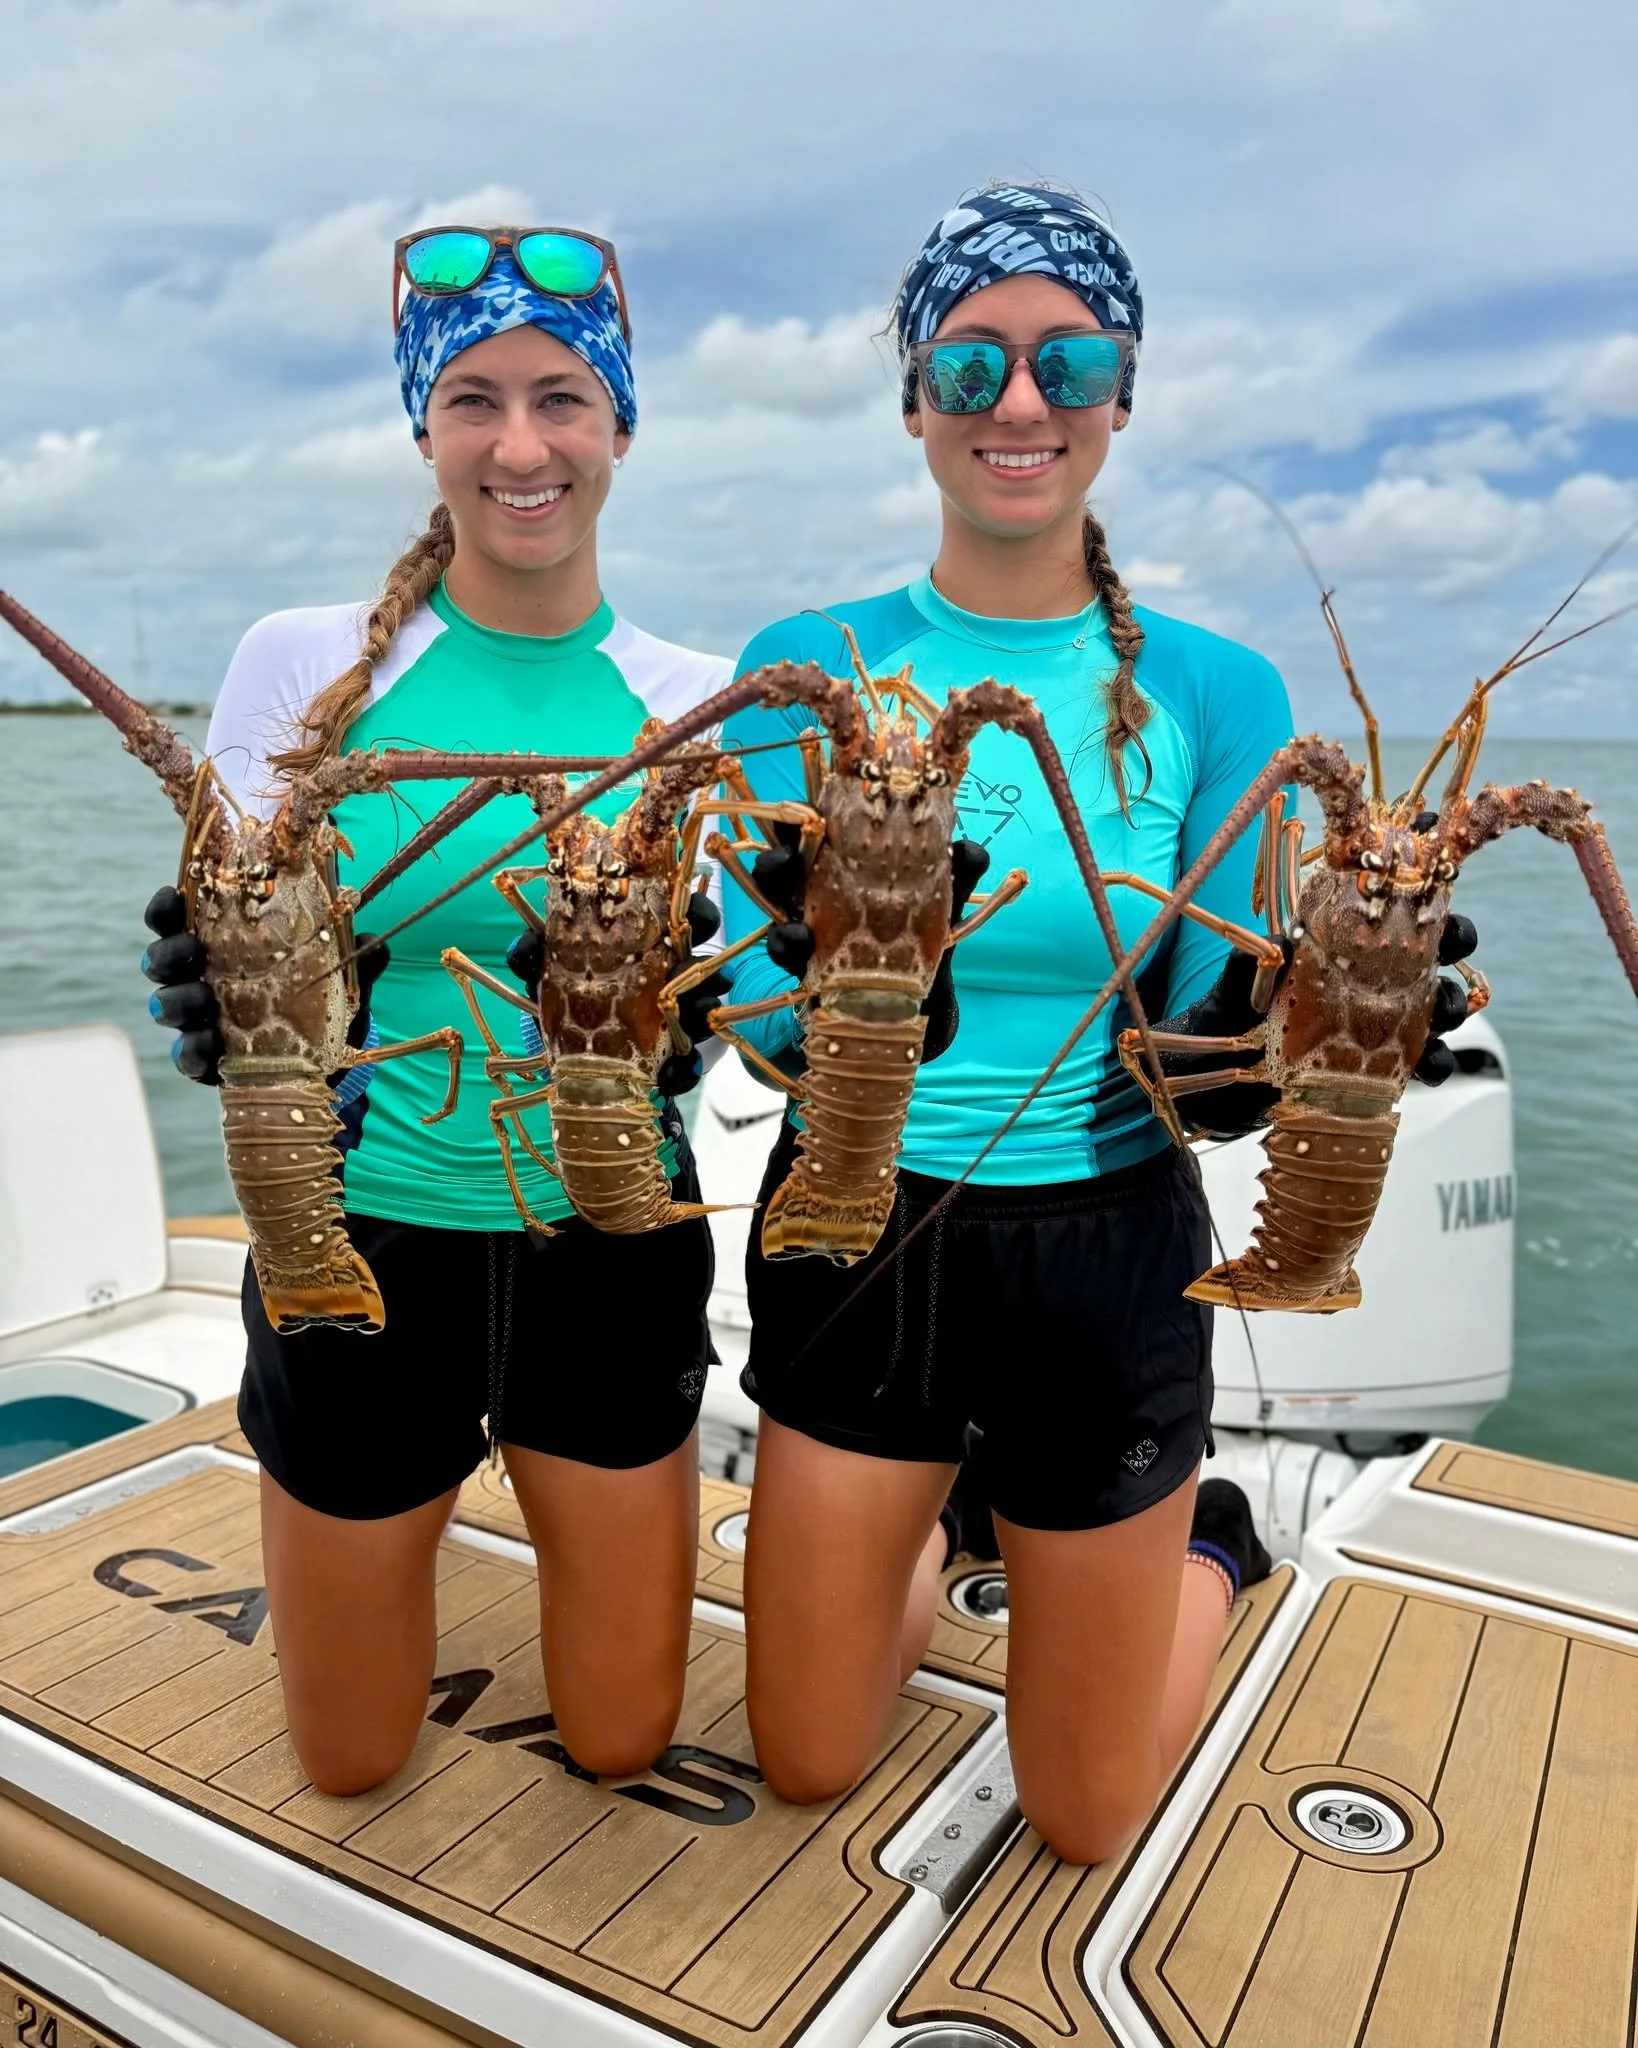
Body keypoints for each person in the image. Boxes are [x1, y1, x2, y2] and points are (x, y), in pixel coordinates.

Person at [718, 184, 1477, 1863]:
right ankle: (936, 1514)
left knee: (1084, 1817)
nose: (1019, 402)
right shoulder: (803, 663)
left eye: (1068, 362)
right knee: (808, 1759)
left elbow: (1203, 1034)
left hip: (1105, 1236)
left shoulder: (1225, 695)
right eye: (972, 360)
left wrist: (1306, 1024)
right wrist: (843, 994)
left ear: (1119, 396)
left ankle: (1200, 1544)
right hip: (856, 1225)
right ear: (912, 394)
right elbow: (756, 1011)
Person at [141, 225, 731, 1794]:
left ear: (620, 426)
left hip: (612, 1247)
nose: (520, 445)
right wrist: (209, 982)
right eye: (474, 400)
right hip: (358, 1233)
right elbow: (240, 914)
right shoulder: (302, 662)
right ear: (425, 430)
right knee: (345, 1760)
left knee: (619, 1742)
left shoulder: (709, 697)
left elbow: (744, 1009)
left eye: (560, 398)